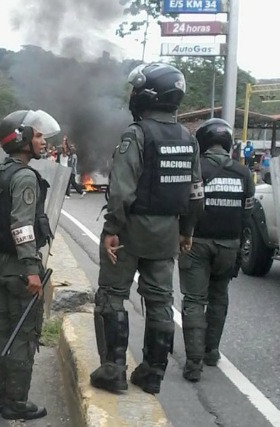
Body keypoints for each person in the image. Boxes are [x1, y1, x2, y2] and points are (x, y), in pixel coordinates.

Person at [89, 63, 204, 395]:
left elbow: (122, 191)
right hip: (169, 232)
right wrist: (187, 230)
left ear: (147, 94)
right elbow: (196, 193)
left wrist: (111, 228)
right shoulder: (188, 139)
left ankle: (113, 370)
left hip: (130, 231)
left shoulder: (136, 134)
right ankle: (153, 373)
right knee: (160, 301)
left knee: (111, 296)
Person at [0, 109, 60, 420]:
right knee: (23, 335)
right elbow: (23, 226)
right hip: (20, 270)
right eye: (37, 135)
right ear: (22, 139)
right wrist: (32, 269)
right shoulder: (23, 176)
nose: (43, 141)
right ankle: (16, 404)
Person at [178, 118, 254, 382]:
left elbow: (184, 206)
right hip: (229, 245)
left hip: (196, 243)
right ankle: (211, 351)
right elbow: (247, 216)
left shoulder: (195, 168)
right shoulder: (244, 174)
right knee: (219, 296)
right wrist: (239, 255)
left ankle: (194, 363)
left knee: (194, 300)